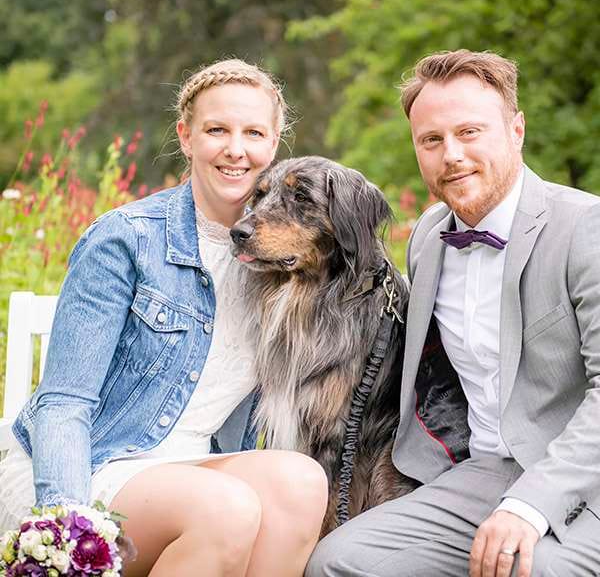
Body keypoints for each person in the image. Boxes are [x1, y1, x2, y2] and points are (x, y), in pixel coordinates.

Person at [0, 58, 328, 577]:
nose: (235, 149)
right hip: (90, 465)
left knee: (301, 482)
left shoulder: (281, 258)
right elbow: (63, 402)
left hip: (192, 466)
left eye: (253, 133)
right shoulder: (126, 238)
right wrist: (64, 528)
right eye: (216, 130)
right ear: (186, 137)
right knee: (227, 507)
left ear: (274, 145)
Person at [306, 49, 600, 577]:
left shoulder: (585, 228)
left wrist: (530, 505)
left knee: (525, 570)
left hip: (584, 478)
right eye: (432, 140)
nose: (452, 155)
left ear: (516, 130)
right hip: (483, 472)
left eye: (469, 132)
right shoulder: (427, 237)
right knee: (339, 562)